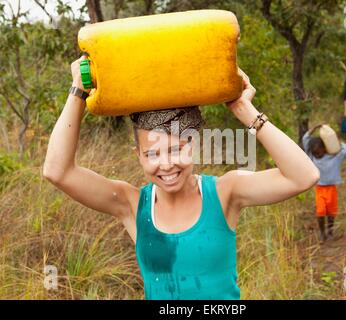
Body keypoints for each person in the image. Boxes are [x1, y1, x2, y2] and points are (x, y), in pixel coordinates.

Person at [43, 55, 320, 300]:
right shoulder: (131, 204)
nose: (166, 165)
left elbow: (303, 176)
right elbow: (57, 171)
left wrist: (244, 110)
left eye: (177, 149)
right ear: (138, 155)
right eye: (152, 154)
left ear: (196, 145)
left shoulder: (225, 192)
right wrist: (78, 90)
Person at [302, 124, 346, 242]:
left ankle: (330, 232)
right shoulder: (312, 158)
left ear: (325, 148)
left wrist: (335, 143)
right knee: (320, 212)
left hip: (332, 189)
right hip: (319, 189)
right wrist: (314, 128)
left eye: (319, 151)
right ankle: (322, 233)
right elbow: (305, 139)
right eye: (315, 152)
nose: (317, 154)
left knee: (331, 212)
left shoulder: (335, 157)